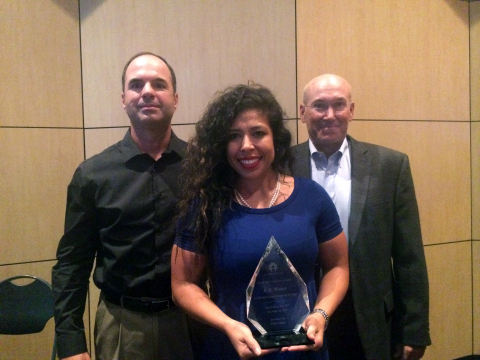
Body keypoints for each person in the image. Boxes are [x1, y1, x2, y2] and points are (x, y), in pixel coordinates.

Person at [171, 83, 349, 360]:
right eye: (234, 136)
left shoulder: (313, 197)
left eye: (258, 133)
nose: (247, 146)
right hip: (231, 350)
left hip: (304, 353)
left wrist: (321, 313)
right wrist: (227, 325)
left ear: (275, 139)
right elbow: (183, 285)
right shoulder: (205, 206)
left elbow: (338, 266)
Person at [52, 52, 197, 360]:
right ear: (123, 99)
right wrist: (70, 343)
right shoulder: (92, 174)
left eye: (159, 84)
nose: (147, 91)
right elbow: (71, 264)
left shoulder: (201, 169)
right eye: (136, 85)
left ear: (175, 98)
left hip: (189, 322)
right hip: (119, 325)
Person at [291, 74, 431, 360]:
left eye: (339, 105)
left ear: (351, 111)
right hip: (299, 316)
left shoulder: (390, 166)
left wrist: (414, 330)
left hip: (369, 318)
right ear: (302, 113)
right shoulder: (281, 165)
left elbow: (409, 257)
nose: (329, 115)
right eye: (319, 106)